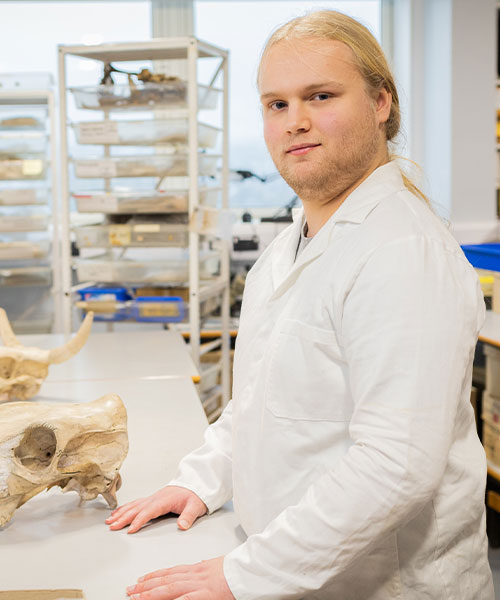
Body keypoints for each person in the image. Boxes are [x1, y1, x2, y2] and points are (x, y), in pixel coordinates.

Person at [107, 10, 494, 599]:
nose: (296, 122)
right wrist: (203, 480)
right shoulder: (294, 245)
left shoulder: (402, 251)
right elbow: (261, 401)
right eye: (276, 104)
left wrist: (245, 574)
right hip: (289, 562)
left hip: (382, 583)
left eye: (320, 95)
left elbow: (396, 465)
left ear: (381, 103)